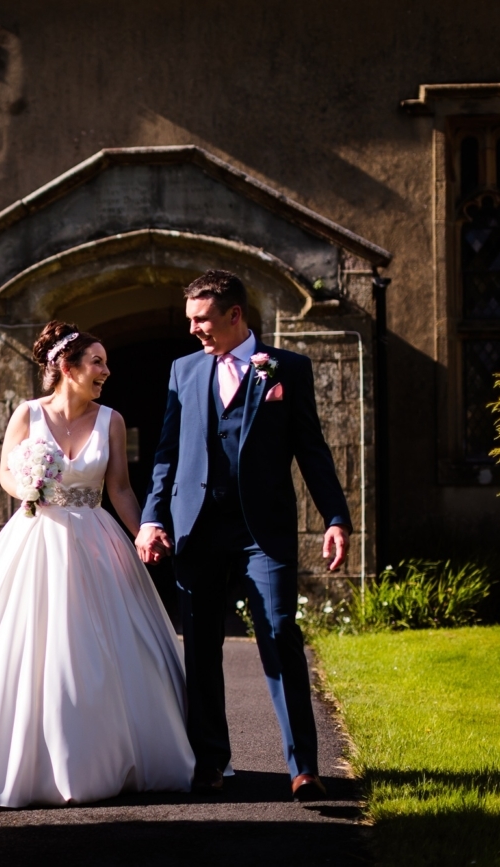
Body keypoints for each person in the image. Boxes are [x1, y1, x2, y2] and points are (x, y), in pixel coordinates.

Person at [0, 322, 194, 808]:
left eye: (105, 362)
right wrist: (28, 488)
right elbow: (5, 473)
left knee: (113, 641)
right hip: (36, 535)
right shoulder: (28, 414)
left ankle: (115, 753)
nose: (106, 371)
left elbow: (119, 487)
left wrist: (143, 529)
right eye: (97, 362)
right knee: (25, 641)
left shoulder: (112, 420)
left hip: (95, 537)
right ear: (67, 368)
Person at [136, 269, 351, 801]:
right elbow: (166, 453)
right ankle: (210, 760)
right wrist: (152, 518)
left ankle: (304, 768)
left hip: (263, 531)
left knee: (278, 635)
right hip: (196, 527)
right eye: (190, 320)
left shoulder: (286, 368)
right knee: (200, 646)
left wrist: (335, 517)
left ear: (235, 315)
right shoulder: (184, 370)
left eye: (202, 319)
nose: (193, 330)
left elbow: (312, 449)